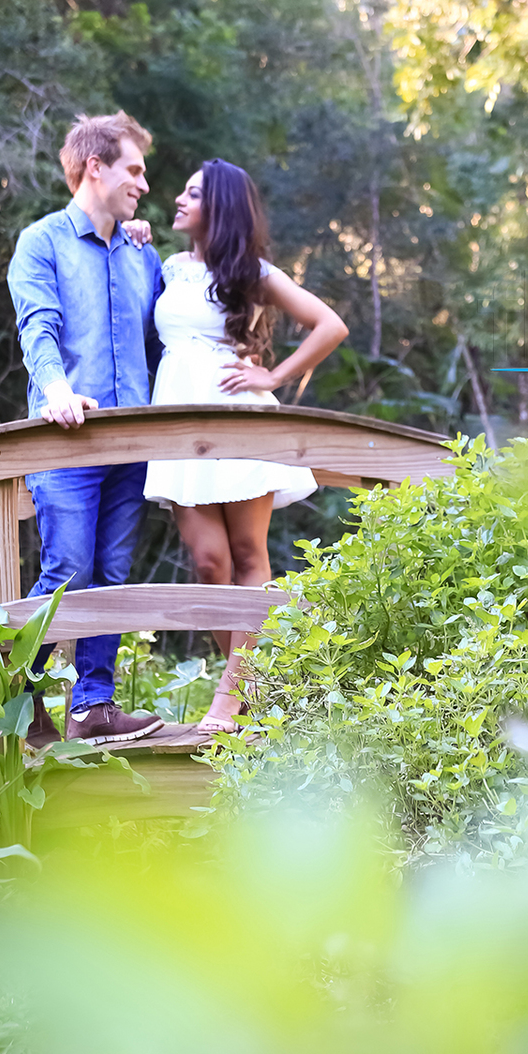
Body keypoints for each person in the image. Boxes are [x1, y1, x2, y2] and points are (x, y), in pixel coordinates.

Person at [146, 158, 348, 733]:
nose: (178, 201)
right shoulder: (169, 266)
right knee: (209, 563)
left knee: (248, 556)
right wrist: (135, 235)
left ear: (221, 207)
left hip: (237, 418)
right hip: (179, 424)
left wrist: (273, 377)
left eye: (192, 194)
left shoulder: (252, 272)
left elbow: (329, 325)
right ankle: (258, 681)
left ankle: (228, 701)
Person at [7, 111, 166, 748]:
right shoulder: (41, 241)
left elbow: (166, 340)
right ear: (94, 168)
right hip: (67, 436)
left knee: (112, 572)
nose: (144, 184)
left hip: (136, 442)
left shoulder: (143, 252)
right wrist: (57, 391)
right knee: (66, 570)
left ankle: (93, 708)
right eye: (134, 169)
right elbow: (37, 328)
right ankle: (16, 705)